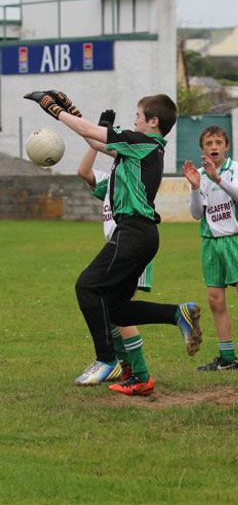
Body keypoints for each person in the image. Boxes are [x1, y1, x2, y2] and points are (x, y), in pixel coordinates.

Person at [24, 89, 202, 388]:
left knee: (87, 287)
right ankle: (177, 313)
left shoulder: (141, 142)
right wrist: (75, 114)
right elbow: (94, 139)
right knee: (117, 309)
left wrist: (53, 109)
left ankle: (107, 359)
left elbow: (93, 134)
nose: (134, 121)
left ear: (153, 121)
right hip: (139, 234)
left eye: (137, 116)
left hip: (134, 233)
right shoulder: (141, 147)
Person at [77, 108, 155, 396]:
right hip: (117, 248)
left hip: (131, 247)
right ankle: (127, 368)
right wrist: (97, 131)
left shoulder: (129, 177)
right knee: (110, 310)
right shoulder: (112, 179)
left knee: (119, 313)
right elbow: (83, 172)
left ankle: (136, 372)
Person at [183, 125, 238, 371]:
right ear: (202, 148)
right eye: (209, 144)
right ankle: (227, 358)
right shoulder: (199, 174)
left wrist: (217, 179)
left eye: (218, 143)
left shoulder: (237, 169)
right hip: (211, 242)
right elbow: (195, 213)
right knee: (215, 300)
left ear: (226, 146)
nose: (214, 147)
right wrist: (194, 186)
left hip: (236, 239)